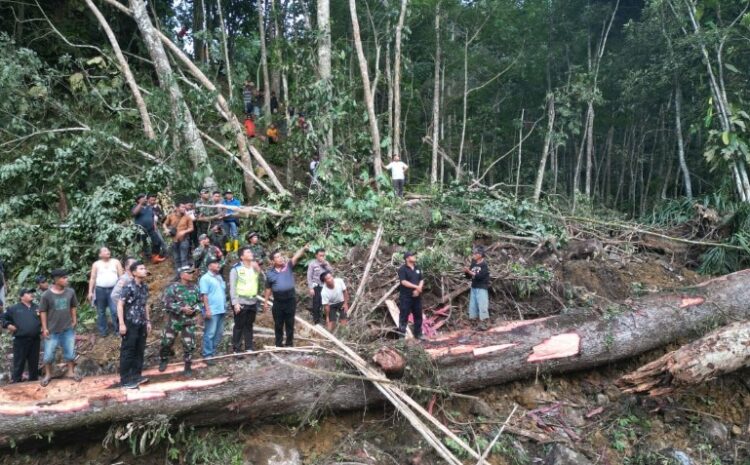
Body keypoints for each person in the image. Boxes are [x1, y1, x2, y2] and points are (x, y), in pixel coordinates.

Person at [39, 269, 81, 387]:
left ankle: (71, 372)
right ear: (57, 280)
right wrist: (45, 328)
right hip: (52, 330)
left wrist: (74, 320)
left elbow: (73, 306)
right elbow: (43, 311)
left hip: (67, 329)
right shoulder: (46, 295)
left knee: (70, 353)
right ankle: (47, 375)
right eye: (64, 278)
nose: (67, 280)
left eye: (66, 277)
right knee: (48, 355)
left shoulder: (70, 292)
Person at [263, 245, 308, 347]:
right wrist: (265, 302)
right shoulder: (270, 274)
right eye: (278, 257)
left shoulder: (288, 266)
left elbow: (296, 256)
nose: (281, 258)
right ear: (272, 261)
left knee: (290, 323)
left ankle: (289, 343)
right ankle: (278, 344)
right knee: (278, 324)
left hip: (290, 300)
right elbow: (268, 288)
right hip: (278, 302)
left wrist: (303, 248)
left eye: (281, 256)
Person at [159, 266, 201, 375]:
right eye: (189, 272)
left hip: (189, 322)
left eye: (192, 272)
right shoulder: (173, 288)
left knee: (189, 344)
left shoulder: (195, 288)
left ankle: (187, 365)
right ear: (182, 275)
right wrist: (182, 308)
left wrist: (194, 310)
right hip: (174, 321)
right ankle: (164, 359)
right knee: (166, 342)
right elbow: (166, 303)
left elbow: (200, 303)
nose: (192, 274)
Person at [117, 261, 151, 389]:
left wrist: (148, 321)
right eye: (141, 268)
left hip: (141, 323)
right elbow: (120, 304)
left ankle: (136, 375)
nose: (144, 270)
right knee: (128, 351)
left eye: (144, 268)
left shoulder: (144, 287)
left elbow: (145, 304)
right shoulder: (128, 287)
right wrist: (121, 324)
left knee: (139, 349)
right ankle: (125, 380)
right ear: (134, 272)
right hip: (130, 323)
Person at [2, 289, 41, 383]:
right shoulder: (14, 308)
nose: (31, 294)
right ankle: (16, 383)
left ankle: (33, 382)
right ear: (22, 296)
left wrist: (44, 328)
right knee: (19, 363)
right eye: (28, 293)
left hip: (35, 340)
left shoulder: (37, 307)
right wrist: (8, 325)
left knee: (34, 363)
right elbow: (3, 317)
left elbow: (44, 319)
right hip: (20, 340)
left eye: (32, 293)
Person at [229, 247, 262, 353]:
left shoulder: (254, 267)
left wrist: (258, 269)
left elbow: (262, 279)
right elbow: (232, 287)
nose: (251, 253)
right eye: (248, 252)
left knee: (249, 325)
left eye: (250, 251)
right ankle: (236, 349)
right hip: (241, 302)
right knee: (239, 326)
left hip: (252, 301)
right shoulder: (236, 269)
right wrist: (235, 303)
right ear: (242, 257)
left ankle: (249, 347)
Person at [87, 247, 124, 337]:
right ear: (100, 255)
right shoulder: (96, 264)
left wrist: (123, 288)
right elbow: (92, 278)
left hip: (114, 289)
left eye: (108, 250)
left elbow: (121, 276)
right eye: (105, 251)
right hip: (100, 290)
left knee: (114, 310)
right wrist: (90, 292)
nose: (108, 252)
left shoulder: (116, 262)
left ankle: (118, 330)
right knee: (101, 311)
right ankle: (103, 331)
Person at [199, 259, 227, 362]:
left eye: (218, 263)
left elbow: (222, 293)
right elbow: (204, 295)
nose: (218, 265)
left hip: (221, 309)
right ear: (209, 266)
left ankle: (213, 352)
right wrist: (207, 310)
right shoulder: (205, 278)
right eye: (215, 263)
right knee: (210, 333)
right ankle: (207, 355)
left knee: (219, 333)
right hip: (212, 310)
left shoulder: (219, 277)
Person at [132, 194, 167, 263]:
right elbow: (134, 213)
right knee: (144, 244)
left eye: (145, 198)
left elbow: (152, 217)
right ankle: (146, 259)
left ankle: (155, 257)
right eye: (142, 198)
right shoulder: (136, 207)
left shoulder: (149, 207)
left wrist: (154, 226)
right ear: (138, 200)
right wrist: (140, 204)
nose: (145, 199)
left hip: (151, 229)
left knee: (157, 241)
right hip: (141, 230)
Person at [397, 252, 424, 339]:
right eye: (412, 256)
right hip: (406, 297)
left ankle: (418, 334)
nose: (414, 257)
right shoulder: (402, 269)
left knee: (418, 315)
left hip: (417, 296)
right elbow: (403, 282)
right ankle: (401, 336)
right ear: (407, 258)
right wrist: (416, 287)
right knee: (404, 316)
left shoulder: (417, 268)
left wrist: (418, 289)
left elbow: (421, 279)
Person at [163, 203, 194, 272]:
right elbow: (165, 224)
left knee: (184, 256)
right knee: (176, 257)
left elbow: (191, 228)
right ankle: (178, 273)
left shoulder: (187, 217)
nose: (184, 209)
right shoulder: (171, 216)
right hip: (174, 240)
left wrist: (184, 231)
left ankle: (185, 272)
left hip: (184, 239)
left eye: (184, 207)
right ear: (177, 208)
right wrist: (166, 229)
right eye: (182, 207)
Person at [306, 248, 332, 325]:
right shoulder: (312, 264)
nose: (322, 257)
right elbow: (309, 276)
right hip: (316, 286)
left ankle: (324, 318)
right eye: (320, 255)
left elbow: (331, 272)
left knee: (324, 302)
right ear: (316, 255)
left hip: (325, 286)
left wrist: (325, 266)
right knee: (316, 302)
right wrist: (311, 288)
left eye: (323, 256)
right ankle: (316, 321)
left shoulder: (326, 263)